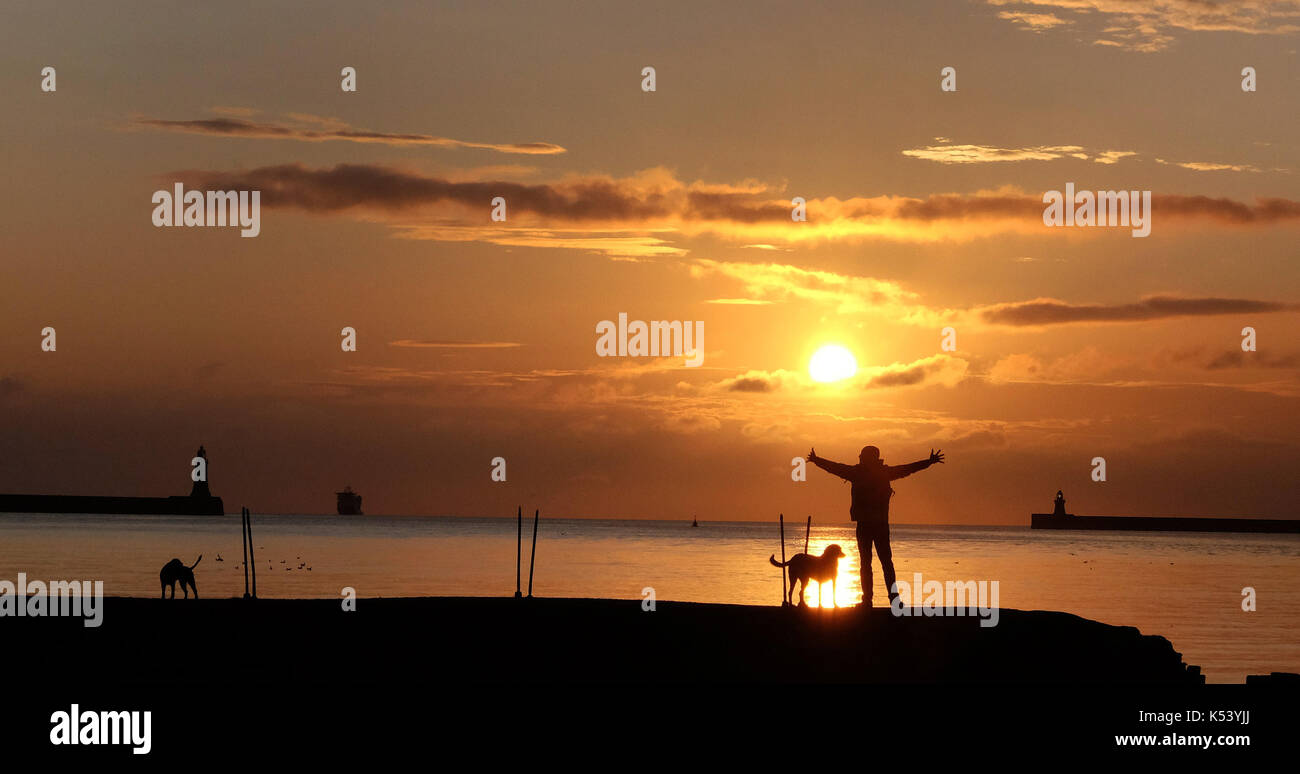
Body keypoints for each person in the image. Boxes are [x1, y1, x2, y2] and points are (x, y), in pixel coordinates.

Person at [807, 445, 944, 607]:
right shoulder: (883, 473)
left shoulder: (857, 473)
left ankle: (869, 601)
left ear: (866, 458)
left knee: (869, 563)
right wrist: (929, 462)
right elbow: (908, 469)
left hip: (866, 525)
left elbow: (835, 468)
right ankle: (892, 600)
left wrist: (816, 460)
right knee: (885, 563)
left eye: (861, 456)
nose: (858, 458)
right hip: (880, 525)